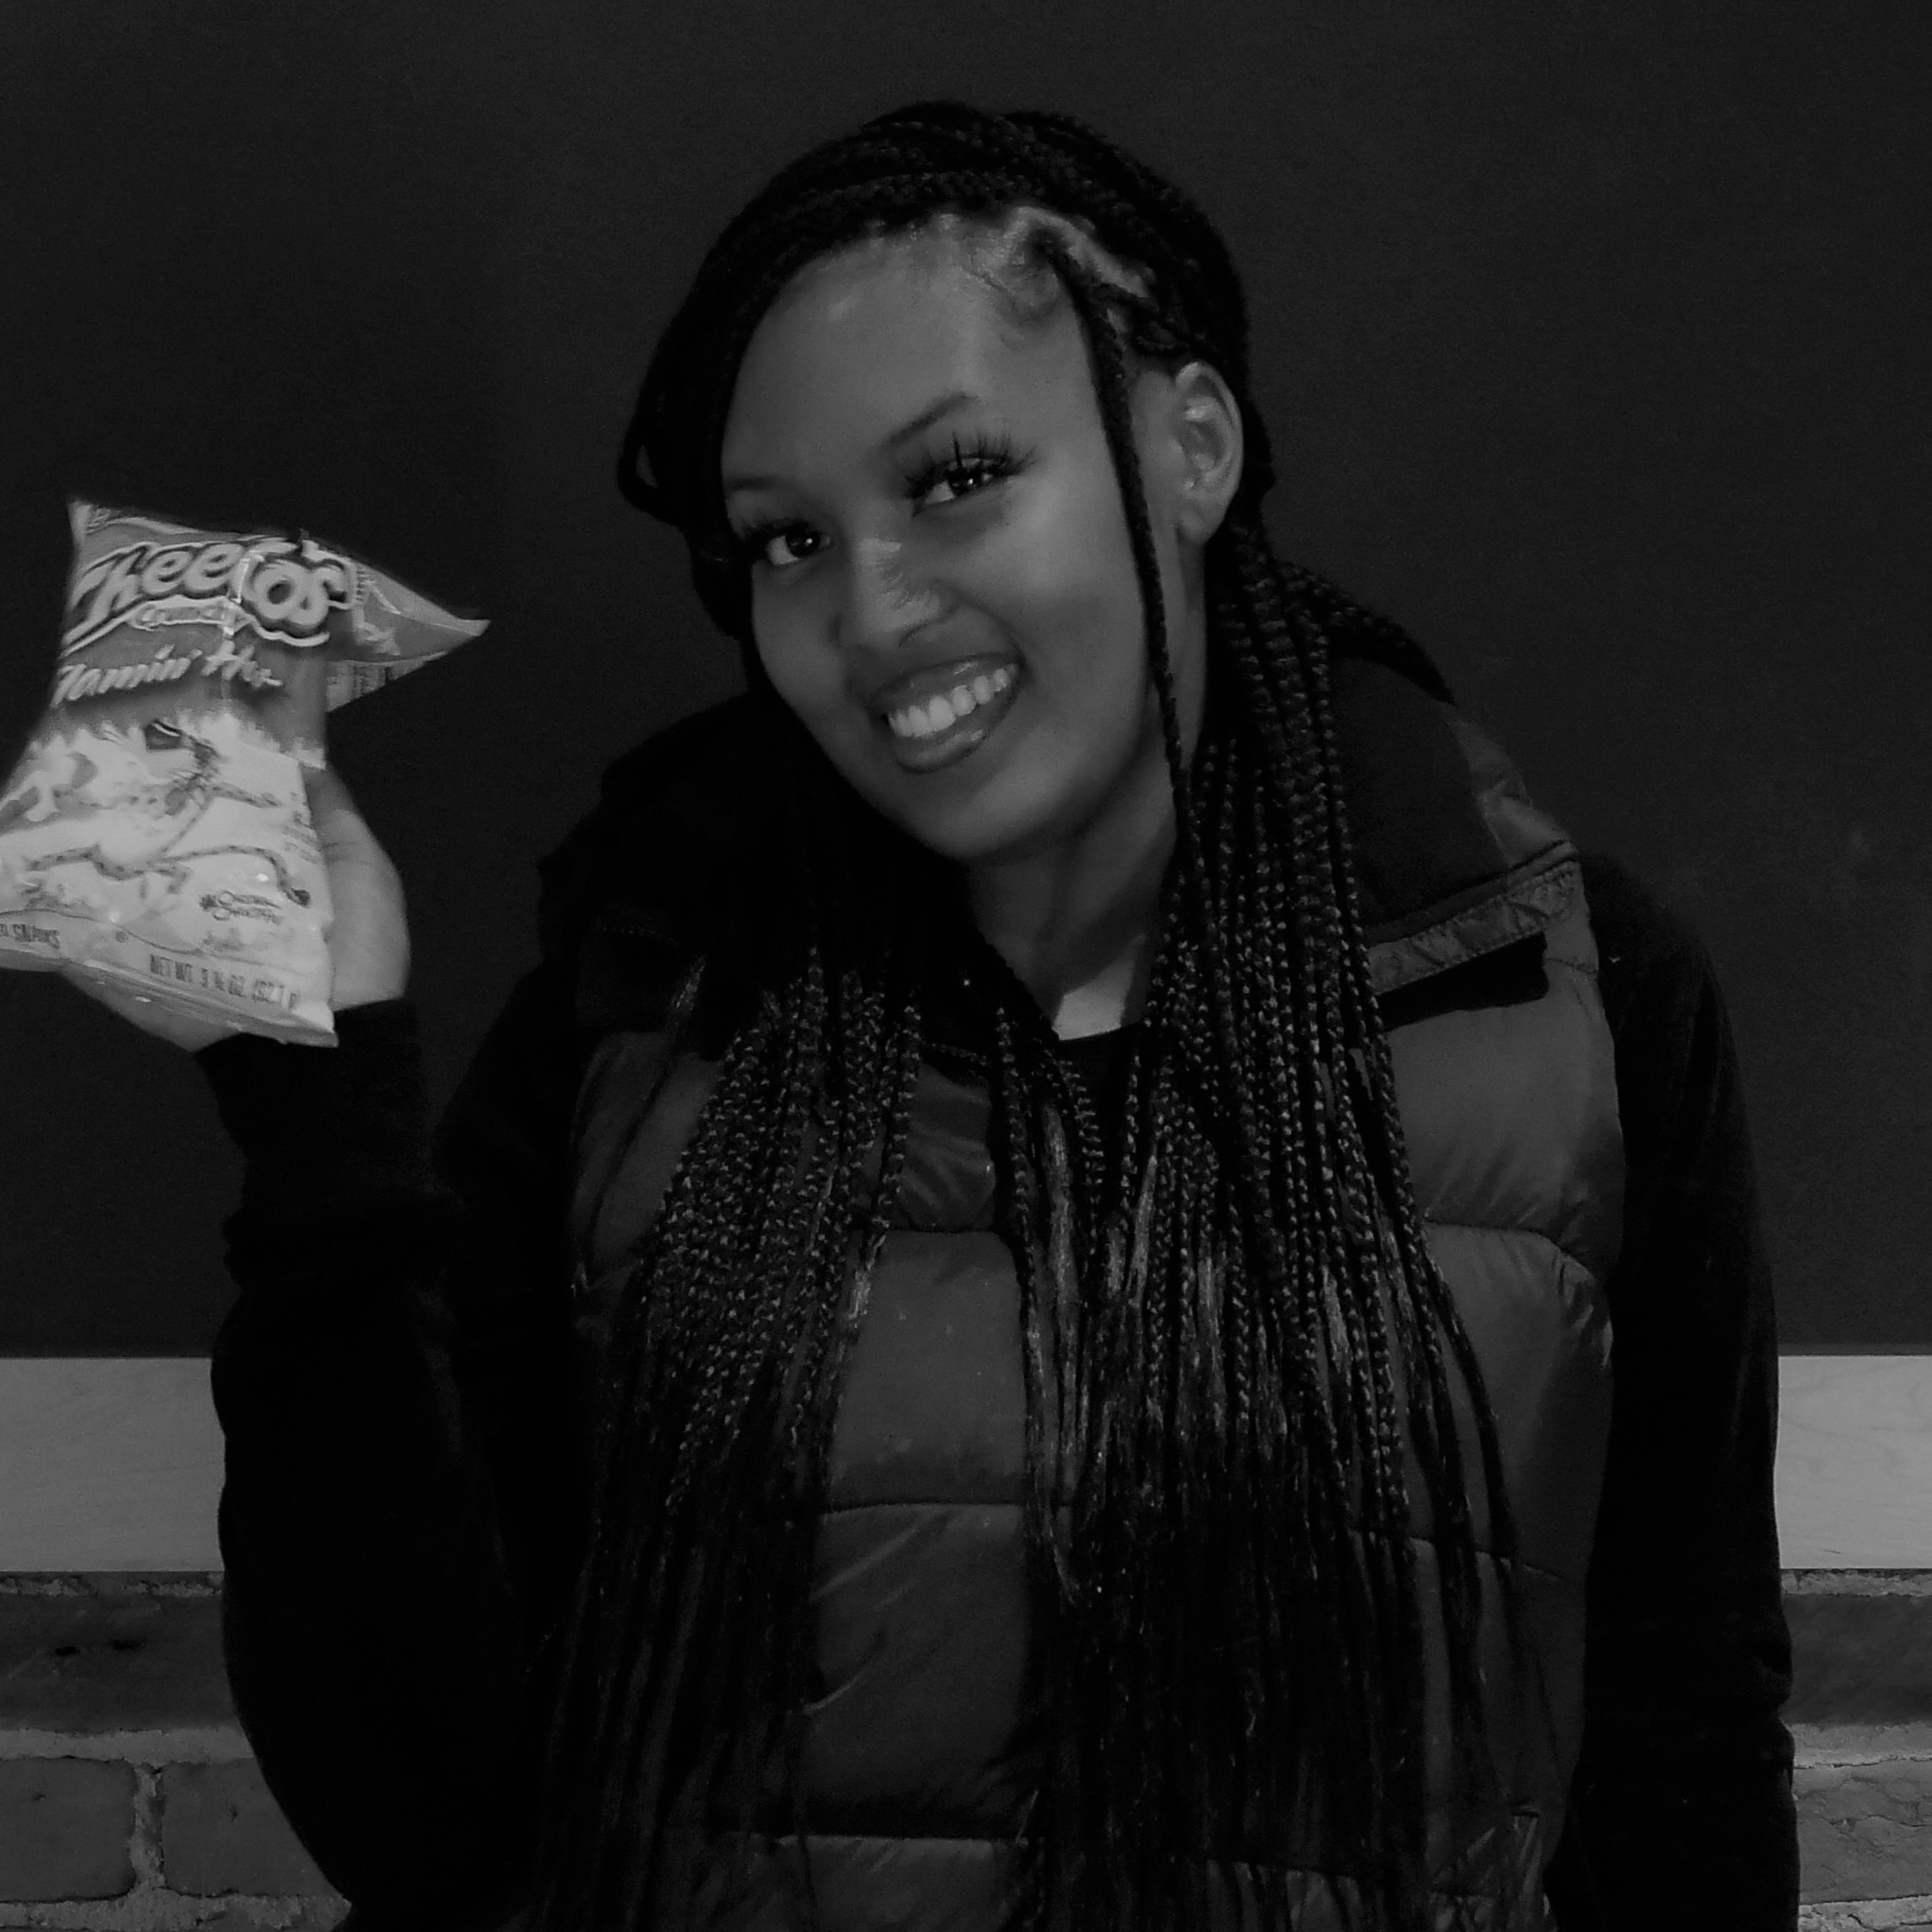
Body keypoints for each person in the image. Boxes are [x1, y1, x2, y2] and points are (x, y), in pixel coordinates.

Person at [90, 101, 1796, 1929]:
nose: (872, 609)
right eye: (788, 542)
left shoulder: (1562, 993)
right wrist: (311, 1092)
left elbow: (1681, 1749)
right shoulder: (644, 1008)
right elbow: (426, 1822)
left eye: (957, 476)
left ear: (1194, 447)